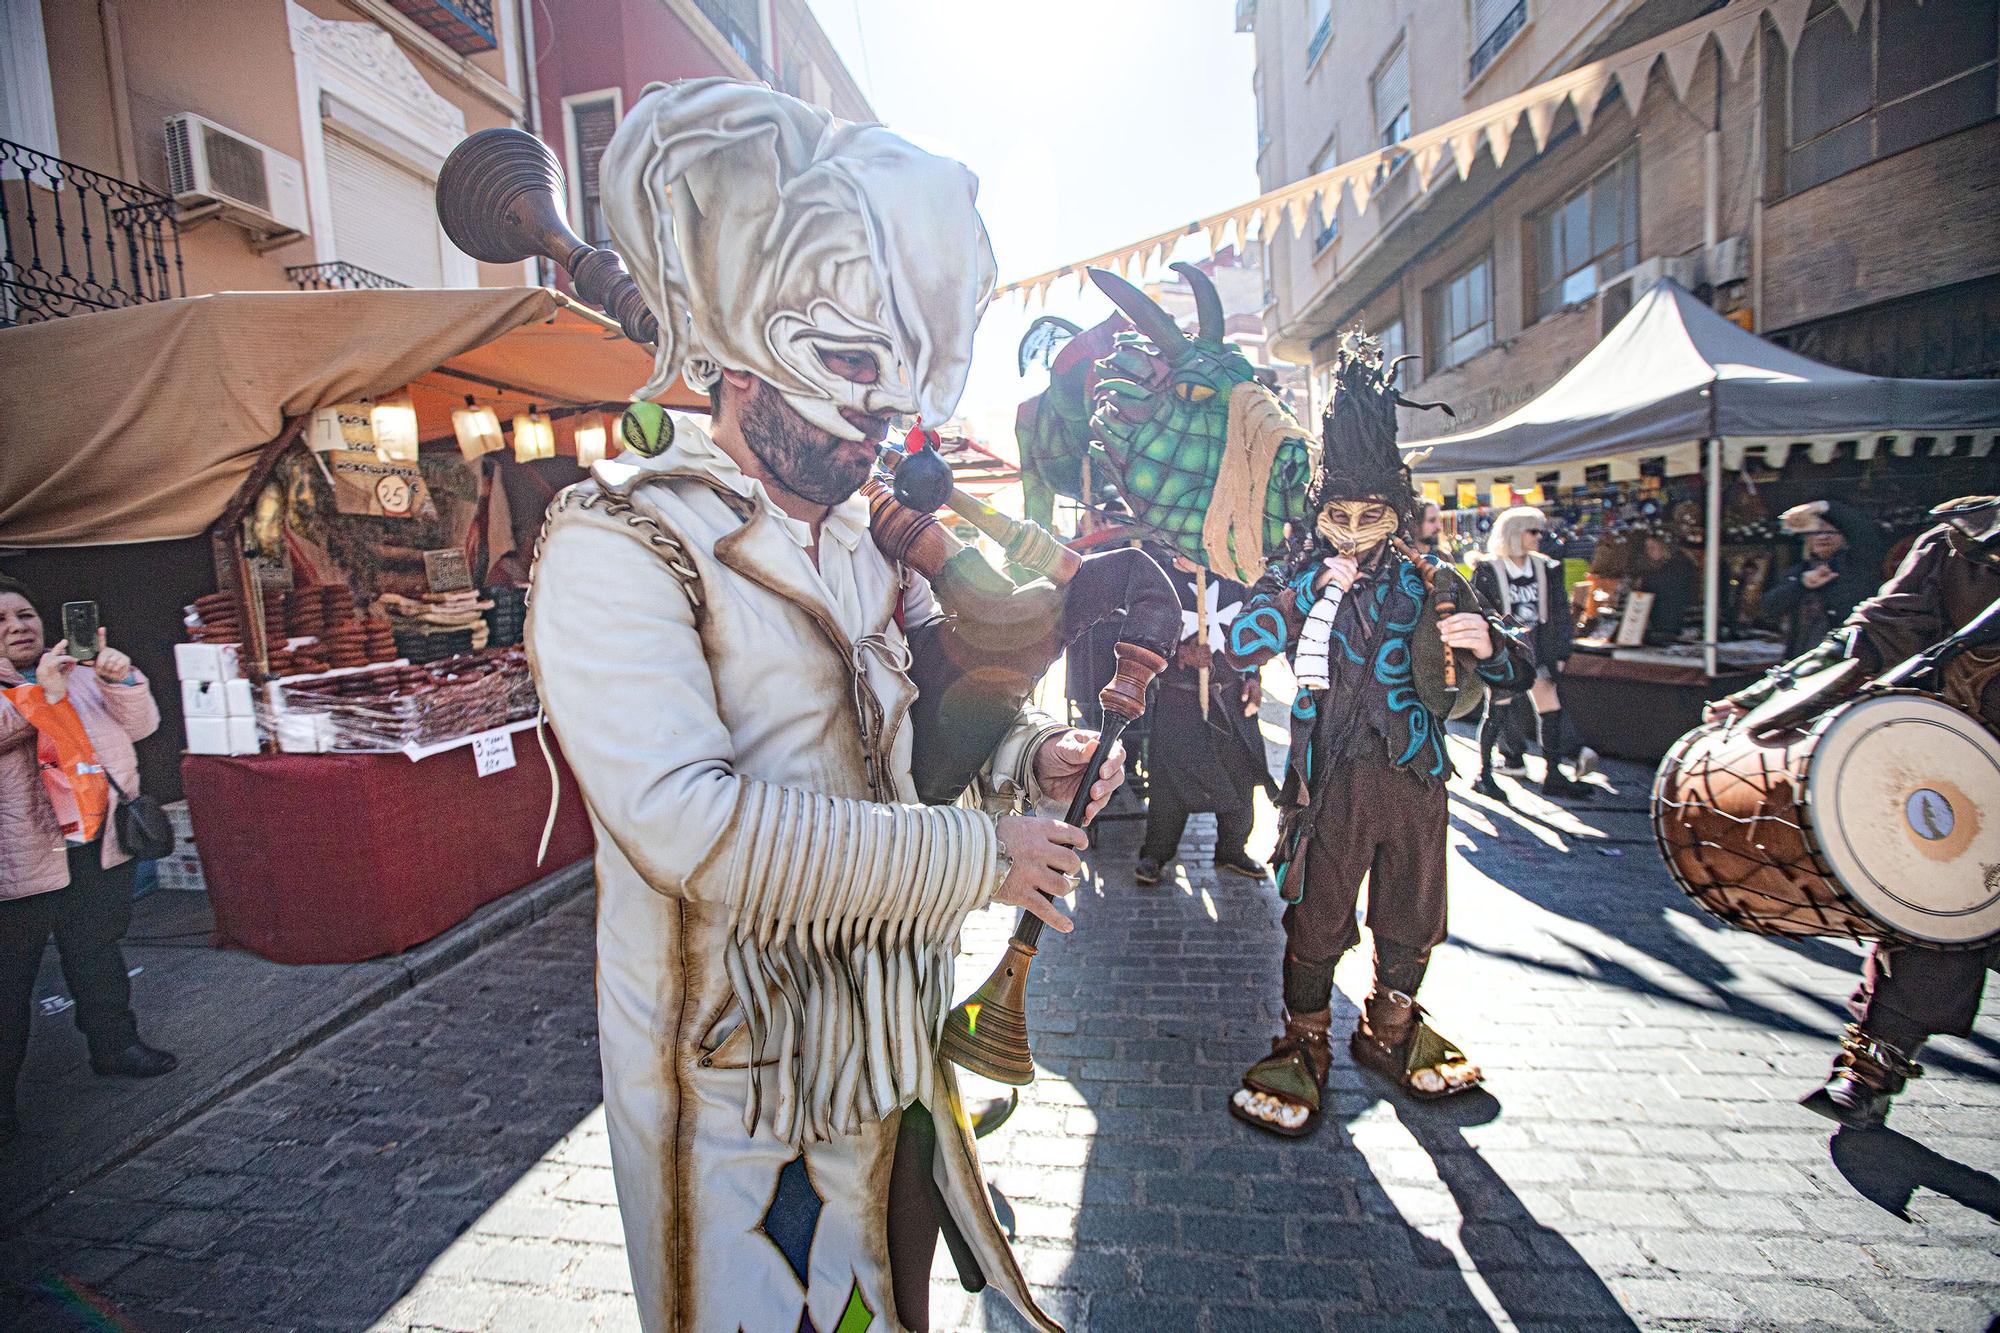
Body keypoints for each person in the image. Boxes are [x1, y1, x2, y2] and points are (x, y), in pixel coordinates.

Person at [528, 80, 1119, 1332]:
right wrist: (979, 857)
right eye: (847, 366)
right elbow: (686, 825)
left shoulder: (856, 541)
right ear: (740, 363)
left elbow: (908, 747)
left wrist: (1035, 759)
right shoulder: (617, 542)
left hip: (879, 1050)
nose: (873, 418)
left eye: (894, 382)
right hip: (732, 1080)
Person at [1216, 340, 1533, 1137]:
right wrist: (1301, 598)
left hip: (1419, 779)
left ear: (1397, 512)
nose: (1353, 532)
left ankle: (1391, 1028)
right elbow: (1239, 647)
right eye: (1338, 516)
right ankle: (1304, 1041)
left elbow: (1517, 668)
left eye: (1371, 517)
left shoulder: (1435, 580)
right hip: (1328, 785)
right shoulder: (1295, 574)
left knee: (1412, 910)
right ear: (1319, 513)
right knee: (1318, 913)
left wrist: (1492, 646)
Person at [1707, 495, 2000, 1130]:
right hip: (1969, 782)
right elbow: (1870, 638)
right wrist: (1767, 699)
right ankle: (1873, 1063)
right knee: (1933, 920)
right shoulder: (1965, 544)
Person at [1, 576, 173, 1142]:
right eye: (1, 622)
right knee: (10, 980)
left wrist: (123, 681)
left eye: (25, 615)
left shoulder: (76, 672)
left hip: (96, 841)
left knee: (97, 950)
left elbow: (143, 726)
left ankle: (116, 1046)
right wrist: (43, 695)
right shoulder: (37, 685)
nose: (17, 628)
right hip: (25, 853)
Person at [1134, 551, 1273, 886]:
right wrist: (1180, 654)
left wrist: (1253, 677)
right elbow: (1140, 637)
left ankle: (1232, 849)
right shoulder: (1159, 583)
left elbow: (1249, 635)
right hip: (1179, 699)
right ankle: (1156, 852)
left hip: (1229, 697)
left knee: (1239, 774)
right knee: (1169, 783)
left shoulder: (1233, 583)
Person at [1471, 507, 1594, 802]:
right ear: (1515, 533)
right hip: (1507, 652)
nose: (1540, 537)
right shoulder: (1489, 569)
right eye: (1533, 531)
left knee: (1550, 706)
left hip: (1539, 649)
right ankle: (1485, 773)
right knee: (1499, 707)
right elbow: (1479, 610)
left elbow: (1560, 612)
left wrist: (1561, 650)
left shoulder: (1547, 567)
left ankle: (1553, 773)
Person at [1760, 498, 1883, 656]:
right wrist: (1802, 585)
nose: (1822, 537)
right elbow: (1769, 607)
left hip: (1847, 658)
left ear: (1845, 538)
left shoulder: (1857, 565)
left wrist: (1820, 507)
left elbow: (1862, 530)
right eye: (1816, 532)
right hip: (1803, 659)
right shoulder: (1797, 572)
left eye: (1830, 532)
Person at [1637, 527, 1700, 644]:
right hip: (1666, 622)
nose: (1649, 551)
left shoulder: (1679, 565)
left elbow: (1660, 585)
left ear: (1663, 546)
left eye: (1653, 547)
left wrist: (1643, 582)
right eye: (1648, 548)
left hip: (1674, 623)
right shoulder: (1663, 566)